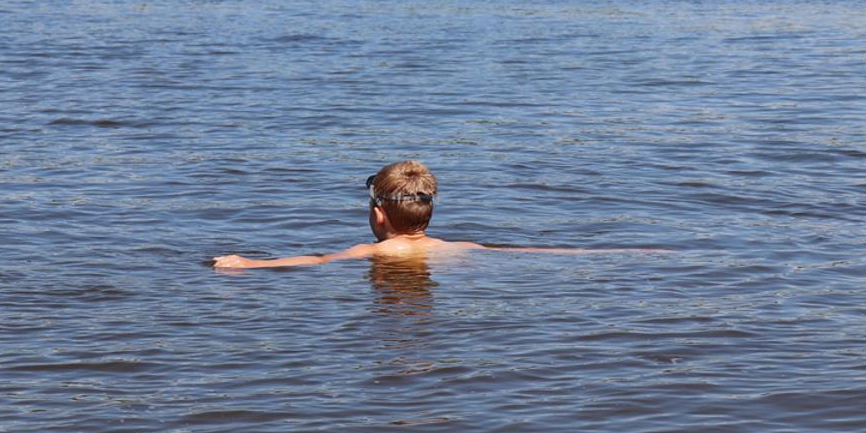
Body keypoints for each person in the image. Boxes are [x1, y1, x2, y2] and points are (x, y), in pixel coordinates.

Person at [213, 160, 608, 270]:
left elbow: (316, 260)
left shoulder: (374, 253)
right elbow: (528, 253)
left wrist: (249, 264)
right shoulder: (460, 248)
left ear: (379, 215)